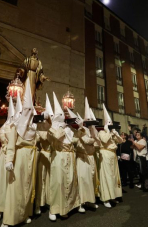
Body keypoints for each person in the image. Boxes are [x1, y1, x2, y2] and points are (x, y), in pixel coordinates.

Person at [0, 78, 37, 227]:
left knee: (27, 186)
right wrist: (9, 159)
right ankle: (10, 218)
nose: (28, 113)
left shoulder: (34, 127)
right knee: (15, 187)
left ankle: (25, 213)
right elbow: (11, 145)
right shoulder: (16, 126)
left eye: (30, 110)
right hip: (19, 156)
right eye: (26, 110)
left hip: (31, 157)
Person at [47, 92, 81, 221]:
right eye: (60, 115)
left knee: (70, 181)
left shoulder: (69, 128)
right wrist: (62, 126)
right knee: (58, 182)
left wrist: (80, 127)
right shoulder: (53, 128)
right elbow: (56, 137)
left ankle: (67, 207)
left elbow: (77, 140)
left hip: (70, 156)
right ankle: (54, 208)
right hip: (59, 156)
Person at [98, 104, 123, 208]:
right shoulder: (101, 132)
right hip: (105, 154)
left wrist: (115, 133)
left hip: (113, 155)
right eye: (108, 124)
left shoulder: (112, 132)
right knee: (106, 176)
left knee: (114, 176)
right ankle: (105, 198)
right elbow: (104, 140)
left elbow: (121, 141)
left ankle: (113, 196)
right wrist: (108, 132)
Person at [35, 94, 53, 215]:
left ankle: (51, 201)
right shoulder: (39, 126)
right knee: (41, 179)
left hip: (53, 156)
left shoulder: (53, 126)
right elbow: (42, 136)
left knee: (51, 180)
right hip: (43, 154)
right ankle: (39, 203)